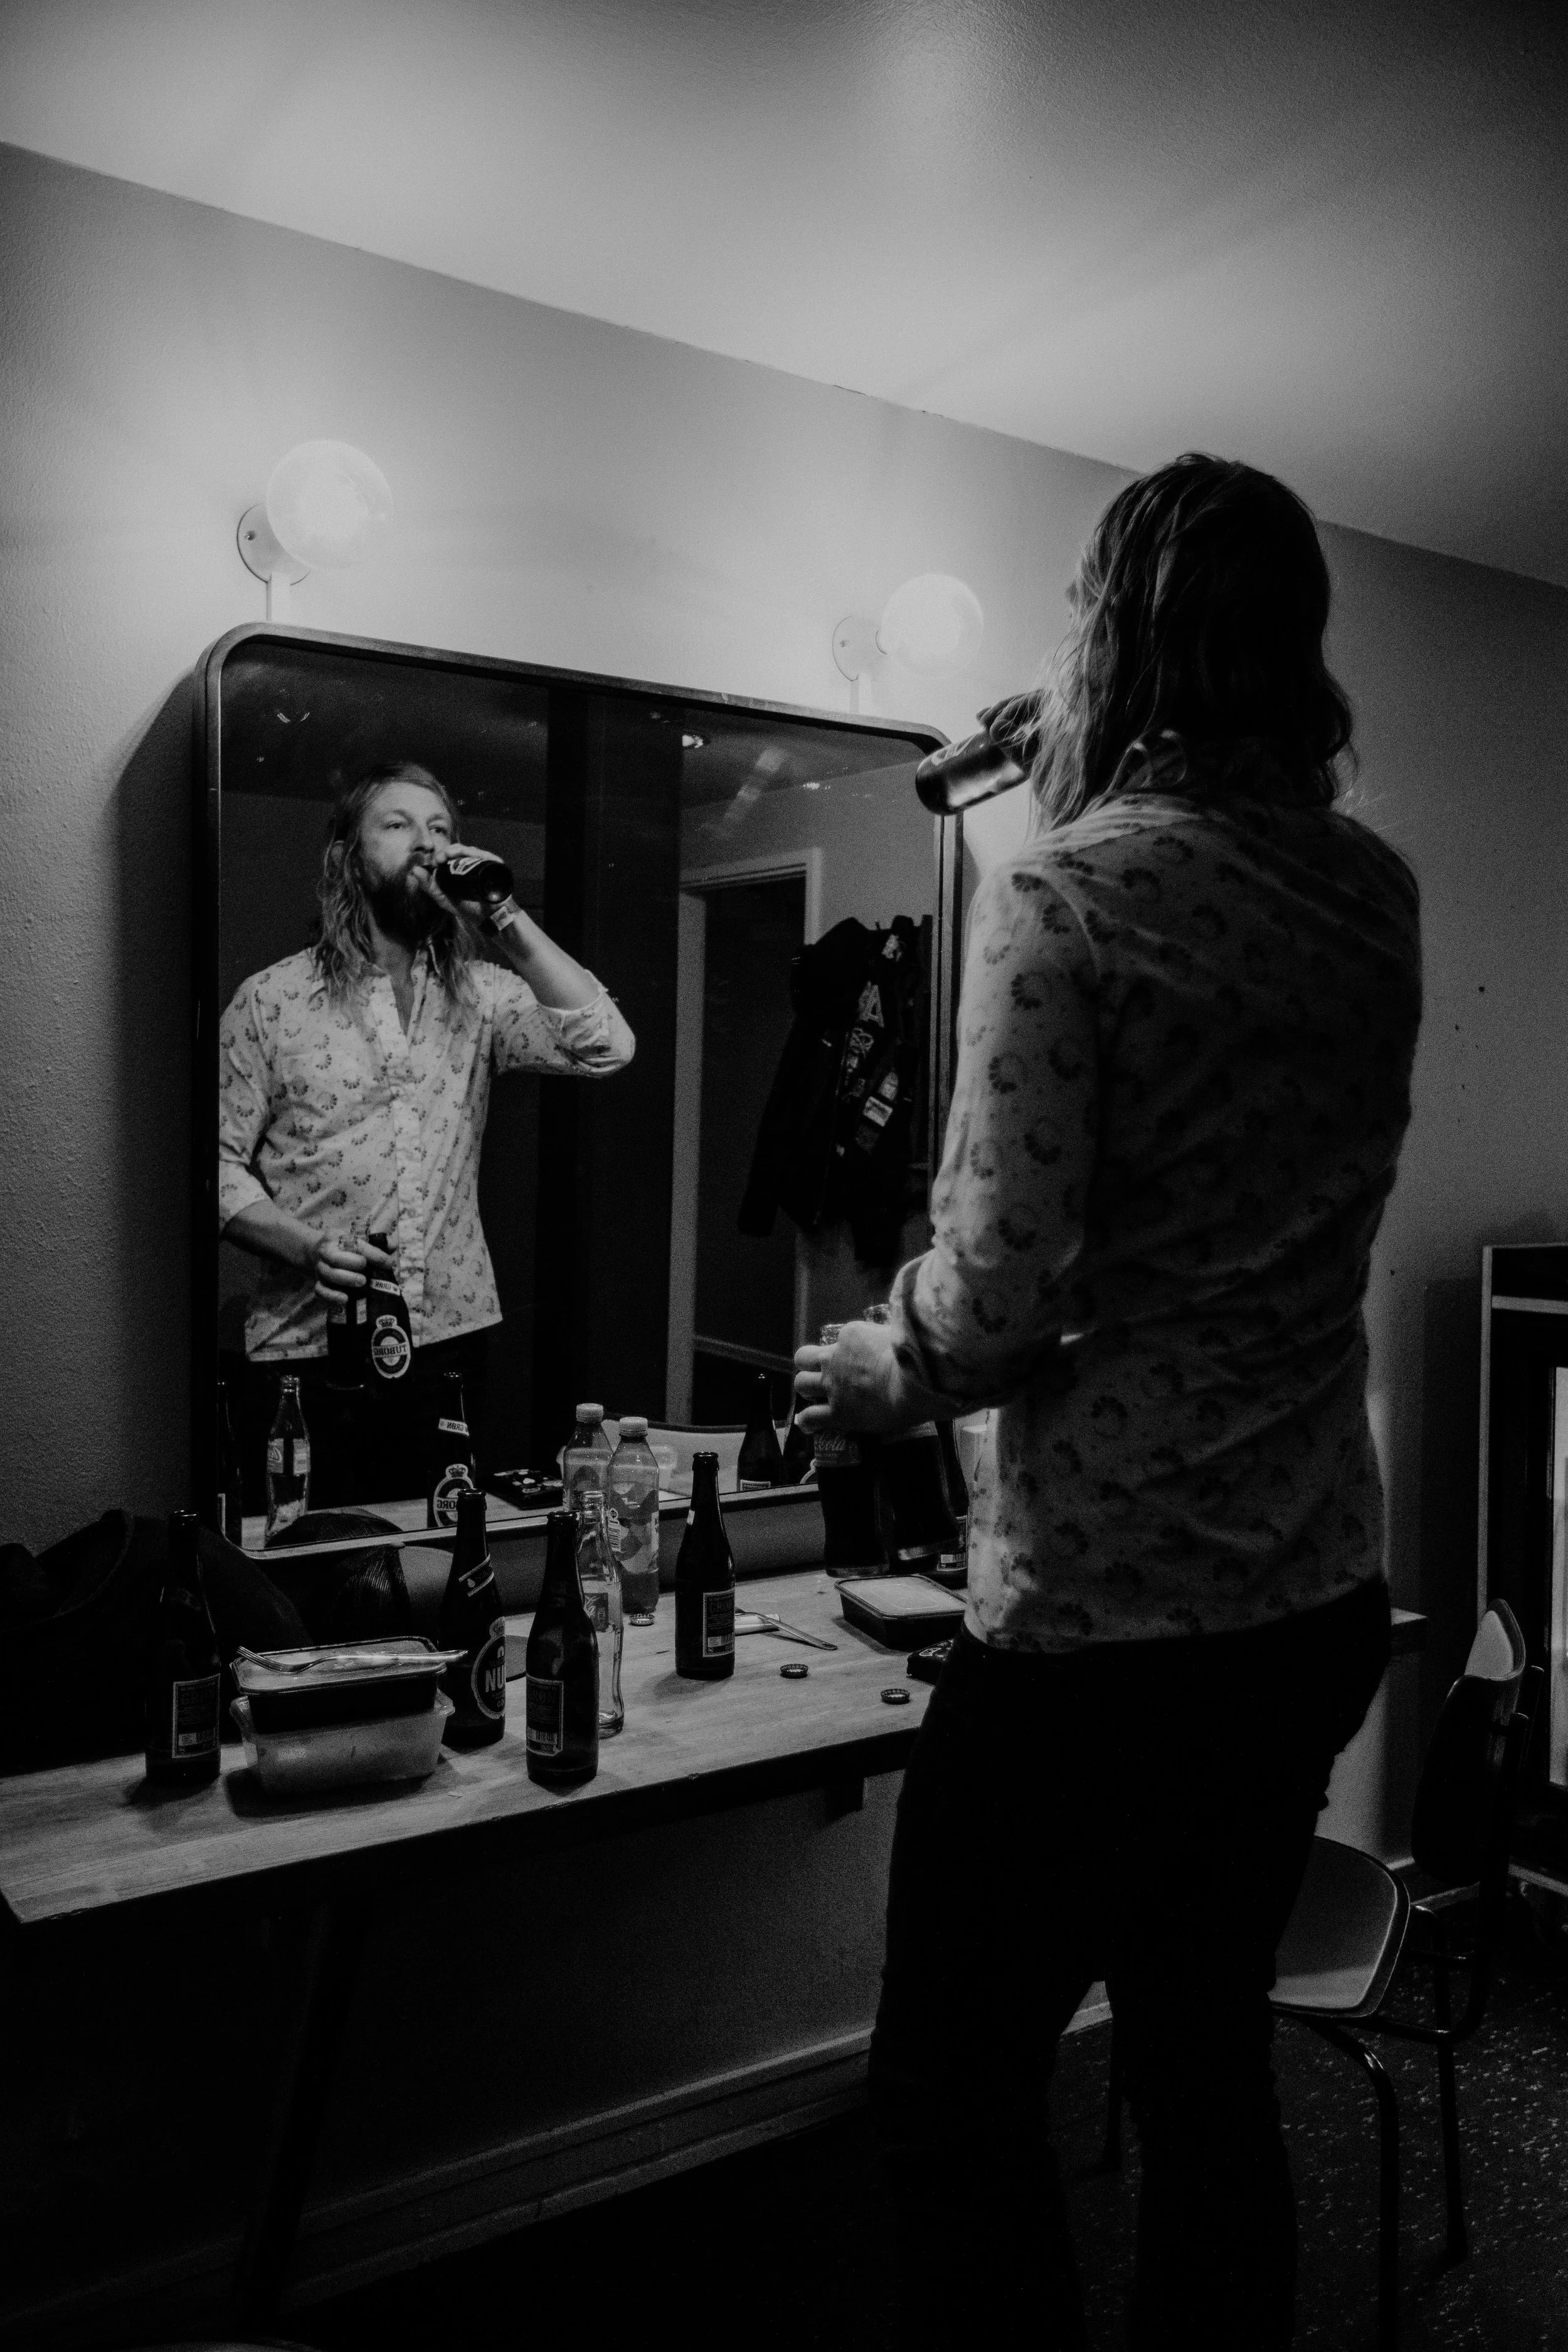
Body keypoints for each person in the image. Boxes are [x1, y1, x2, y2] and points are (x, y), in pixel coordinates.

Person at [794, 453, 1422, 2349]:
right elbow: (1193, 1177)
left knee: (947, 2090)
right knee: (1194, 2056)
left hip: (1100, 1631)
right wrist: (1050, 771)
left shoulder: (1062, 902)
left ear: (1106, 633)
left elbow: (989, 1311)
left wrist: (871, 1364)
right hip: (1306, 1598)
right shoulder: (1366, 891)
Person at [219, 760, 635, 1506]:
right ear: (346, 855)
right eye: (399, 824)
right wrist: (304, 1247)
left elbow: (605, 1045)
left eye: (440, 829)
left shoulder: (481, 995)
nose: (426, 843)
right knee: (311, 1561)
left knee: (442, 1554)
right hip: (304, 1349)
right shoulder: (270, 1001)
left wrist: (501, 916)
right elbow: (212, 1166)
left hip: (450, 1338)